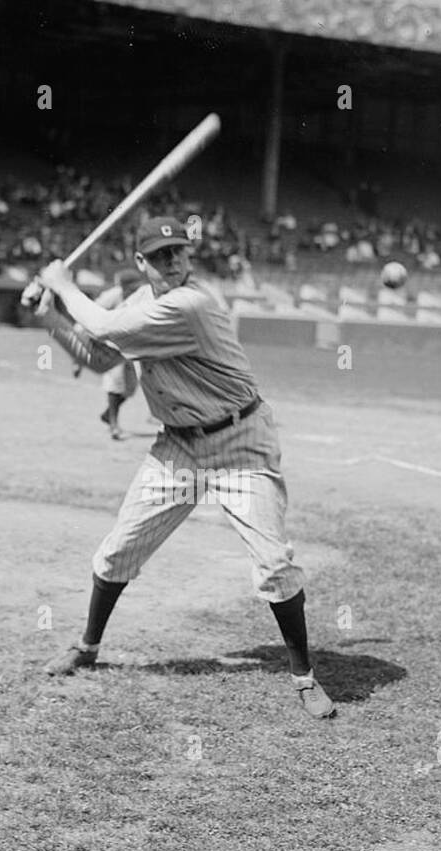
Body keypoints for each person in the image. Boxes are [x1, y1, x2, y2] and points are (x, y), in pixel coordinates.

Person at [31, 216, 335, 719]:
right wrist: (51, 317)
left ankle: (304, 677)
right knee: (118, 552)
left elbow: (103, 326)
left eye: (180, 253)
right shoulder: (140, 305)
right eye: (161, 255)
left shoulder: (190, 304)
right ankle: (87, 647)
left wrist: (62, 285)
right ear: (141, 263)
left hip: (240, 442)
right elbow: (100, 355)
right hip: (177, 448)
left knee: (273, 564)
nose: (173, 262)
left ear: (190, 257)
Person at [93, 268, 143, 439]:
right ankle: (114, 425)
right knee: (115, 383)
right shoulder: (111, 296)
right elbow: (92, 313)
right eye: (131, 287)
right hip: (111, 345)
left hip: (131, 346)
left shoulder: (141, 297)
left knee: (130, 388)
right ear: (123, 287)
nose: (135, 290)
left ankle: (108, 414)